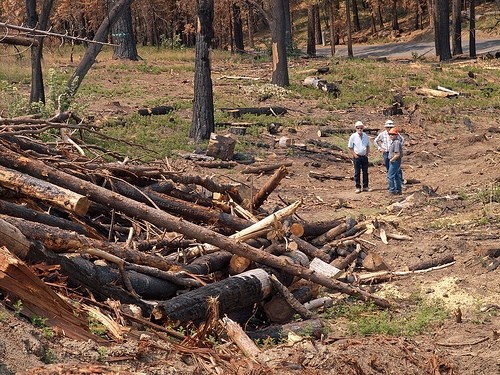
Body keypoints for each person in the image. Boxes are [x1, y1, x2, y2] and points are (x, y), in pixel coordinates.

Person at [348, 121, 372, 193]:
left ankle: (365, 186)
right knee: (357, 172)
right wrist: (355, 155)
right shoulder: (353, 136)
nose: (359, 129)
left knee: (365, 172)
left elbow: (368, 145)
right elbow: (350, 147)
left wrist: (367, 153)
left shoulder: (365, 135)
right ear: (355, 128)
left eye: (361, 128)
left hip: (364, 156)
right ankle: (358, 187)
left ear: (363, 128)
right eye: (358, 128)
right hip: (357, 157)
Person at [387, 127, 403, 195]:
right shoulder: (394, 142)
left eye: (393, 134)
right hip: (394, 161)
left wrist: (391, 160)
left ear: (396, 135)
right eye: (390, 134)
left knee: (390, 176)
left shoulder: (396, 142)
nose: (391, 136)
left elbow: (397, 154)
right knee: (396, 176)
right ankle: (398, 190)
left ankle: (392, 190)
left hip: (395, 161)